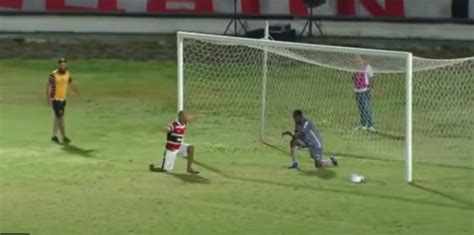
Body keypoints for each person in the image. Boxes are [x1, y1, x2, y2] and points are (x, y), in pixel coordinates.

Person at [46, 58, 79, 144]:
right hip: (56, 99)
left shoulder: (67, 74)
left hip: (63, 99)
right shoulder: (53, 74)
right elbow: (48, 86)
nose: (62, 66)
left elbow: (70, 83)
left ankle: (54, 136)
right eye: (61, 65)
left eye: (64, 65)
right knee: (60, 117)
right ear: (58, 65)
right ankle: (63, 137)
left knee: (57, 117)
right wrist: (48, 98)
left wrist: (75, 90)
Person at [353, 56, 376, 132]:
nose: (357, 61)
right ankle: (363, 124)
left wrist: (371, 88)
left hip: (365, 89)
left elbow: (371, 78)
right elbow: (353, 78)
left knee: (366, 107)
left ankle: (370, 125)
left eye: (359, 60)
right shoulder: (356, 68)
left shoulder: (367, 67)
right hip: (357, 90)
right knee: (361, 108)